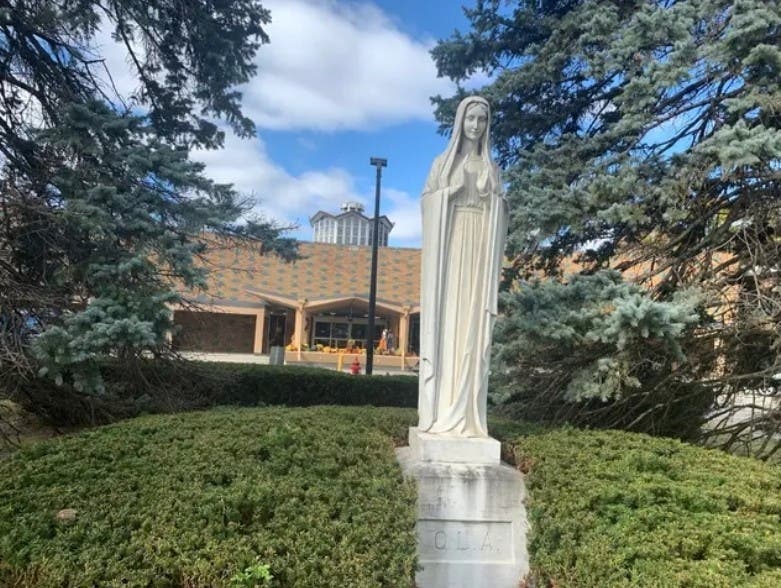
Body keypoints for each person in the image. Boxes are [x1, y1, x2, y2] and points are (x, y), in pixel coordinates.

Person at [417, 96, 508, 437]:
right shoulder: (442, 164)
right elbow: (427, 202)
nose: (475, 125)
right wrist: (447, 195)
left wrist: (493, 201)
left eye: (482, 120)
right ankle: (441, 412)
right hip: (451, 249)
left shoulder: (491, 168)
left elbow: (502, 212)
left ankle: (468, 417)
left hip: (479, 252)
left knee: (471, 325)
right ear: (461, 121)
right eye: (471, 118)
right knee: (449, 322)